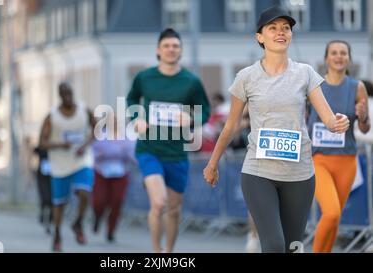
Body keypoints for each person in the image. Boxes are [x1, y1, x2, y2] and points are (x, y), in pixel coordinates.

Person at [203, 6, 350, 253]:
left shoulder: (305, 73)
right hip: (259, 172)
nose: (280, 32)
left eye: (285, 28)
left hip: (300, 174)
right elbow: (230, 125)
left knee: (293, 247)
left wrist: (338, 122)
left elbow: (327, 118)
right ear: (260, 37)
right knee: (273, 245)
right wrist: (212, 163)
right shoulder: (246, 77)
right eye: (273, 28)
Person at [126, 28, 210, 253]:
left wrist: (191, 118)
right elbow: (132, 98)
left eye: (175, 46)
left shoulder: (191, 81)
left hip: (177, 152)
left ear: (180, 50)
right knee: (159, 202)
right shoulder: (145, 77)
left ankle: (168, 252)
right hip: (149, 148)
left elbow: (205, 110)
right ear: (158, 50)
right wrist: (137, 118)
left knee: (173, 209)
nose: (171, 50)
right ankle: (156, 252)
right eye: (166, 46)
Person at [307, 40, 370, 253]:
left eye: (343, 53)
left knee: (334, 219)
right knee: (331, 212)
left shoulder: (357, 87)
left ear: (349, 58)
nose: (339, 56)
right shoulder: (313, 85)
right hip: (319, 160)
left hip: (346, 161)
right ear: (326, 58)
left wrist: (363, 117)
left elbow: (364, 127)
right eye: (334, 53)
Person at [39, 82, 96, 252]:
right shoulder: (52, 116)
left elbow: (97, 128)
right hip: (59, 164)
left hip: (81, 160)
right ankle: (57, 234)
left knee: (85, 193)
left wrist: (85, 145)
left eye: (70, 93)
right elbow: (41, 142)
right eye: (64, 94)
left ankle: (78, 223)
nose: (68, 96)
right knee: (59, 204)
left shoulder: (84, 110)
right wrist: (59, 145)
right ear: (60, 95)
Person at [91, 115, 135, 242]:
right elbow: (91, 153)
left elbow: (134, 155)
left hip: (120, 172)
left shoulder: (126, 136)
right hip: (101, 171)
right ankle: (97, 217)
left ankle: (111, 230)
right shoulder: (100, 135)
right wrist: (102, 154)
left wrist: (126, 152)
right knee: (99, 201)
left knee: (117, 201)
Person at [33, 145, 52, 234]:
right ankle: (42, 213)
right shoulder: (42, 147)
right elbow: (33, 151)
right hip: (42, 176)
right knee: (45, 197)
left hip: (54, 175)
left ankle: (50, 220)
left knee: (52, 199)